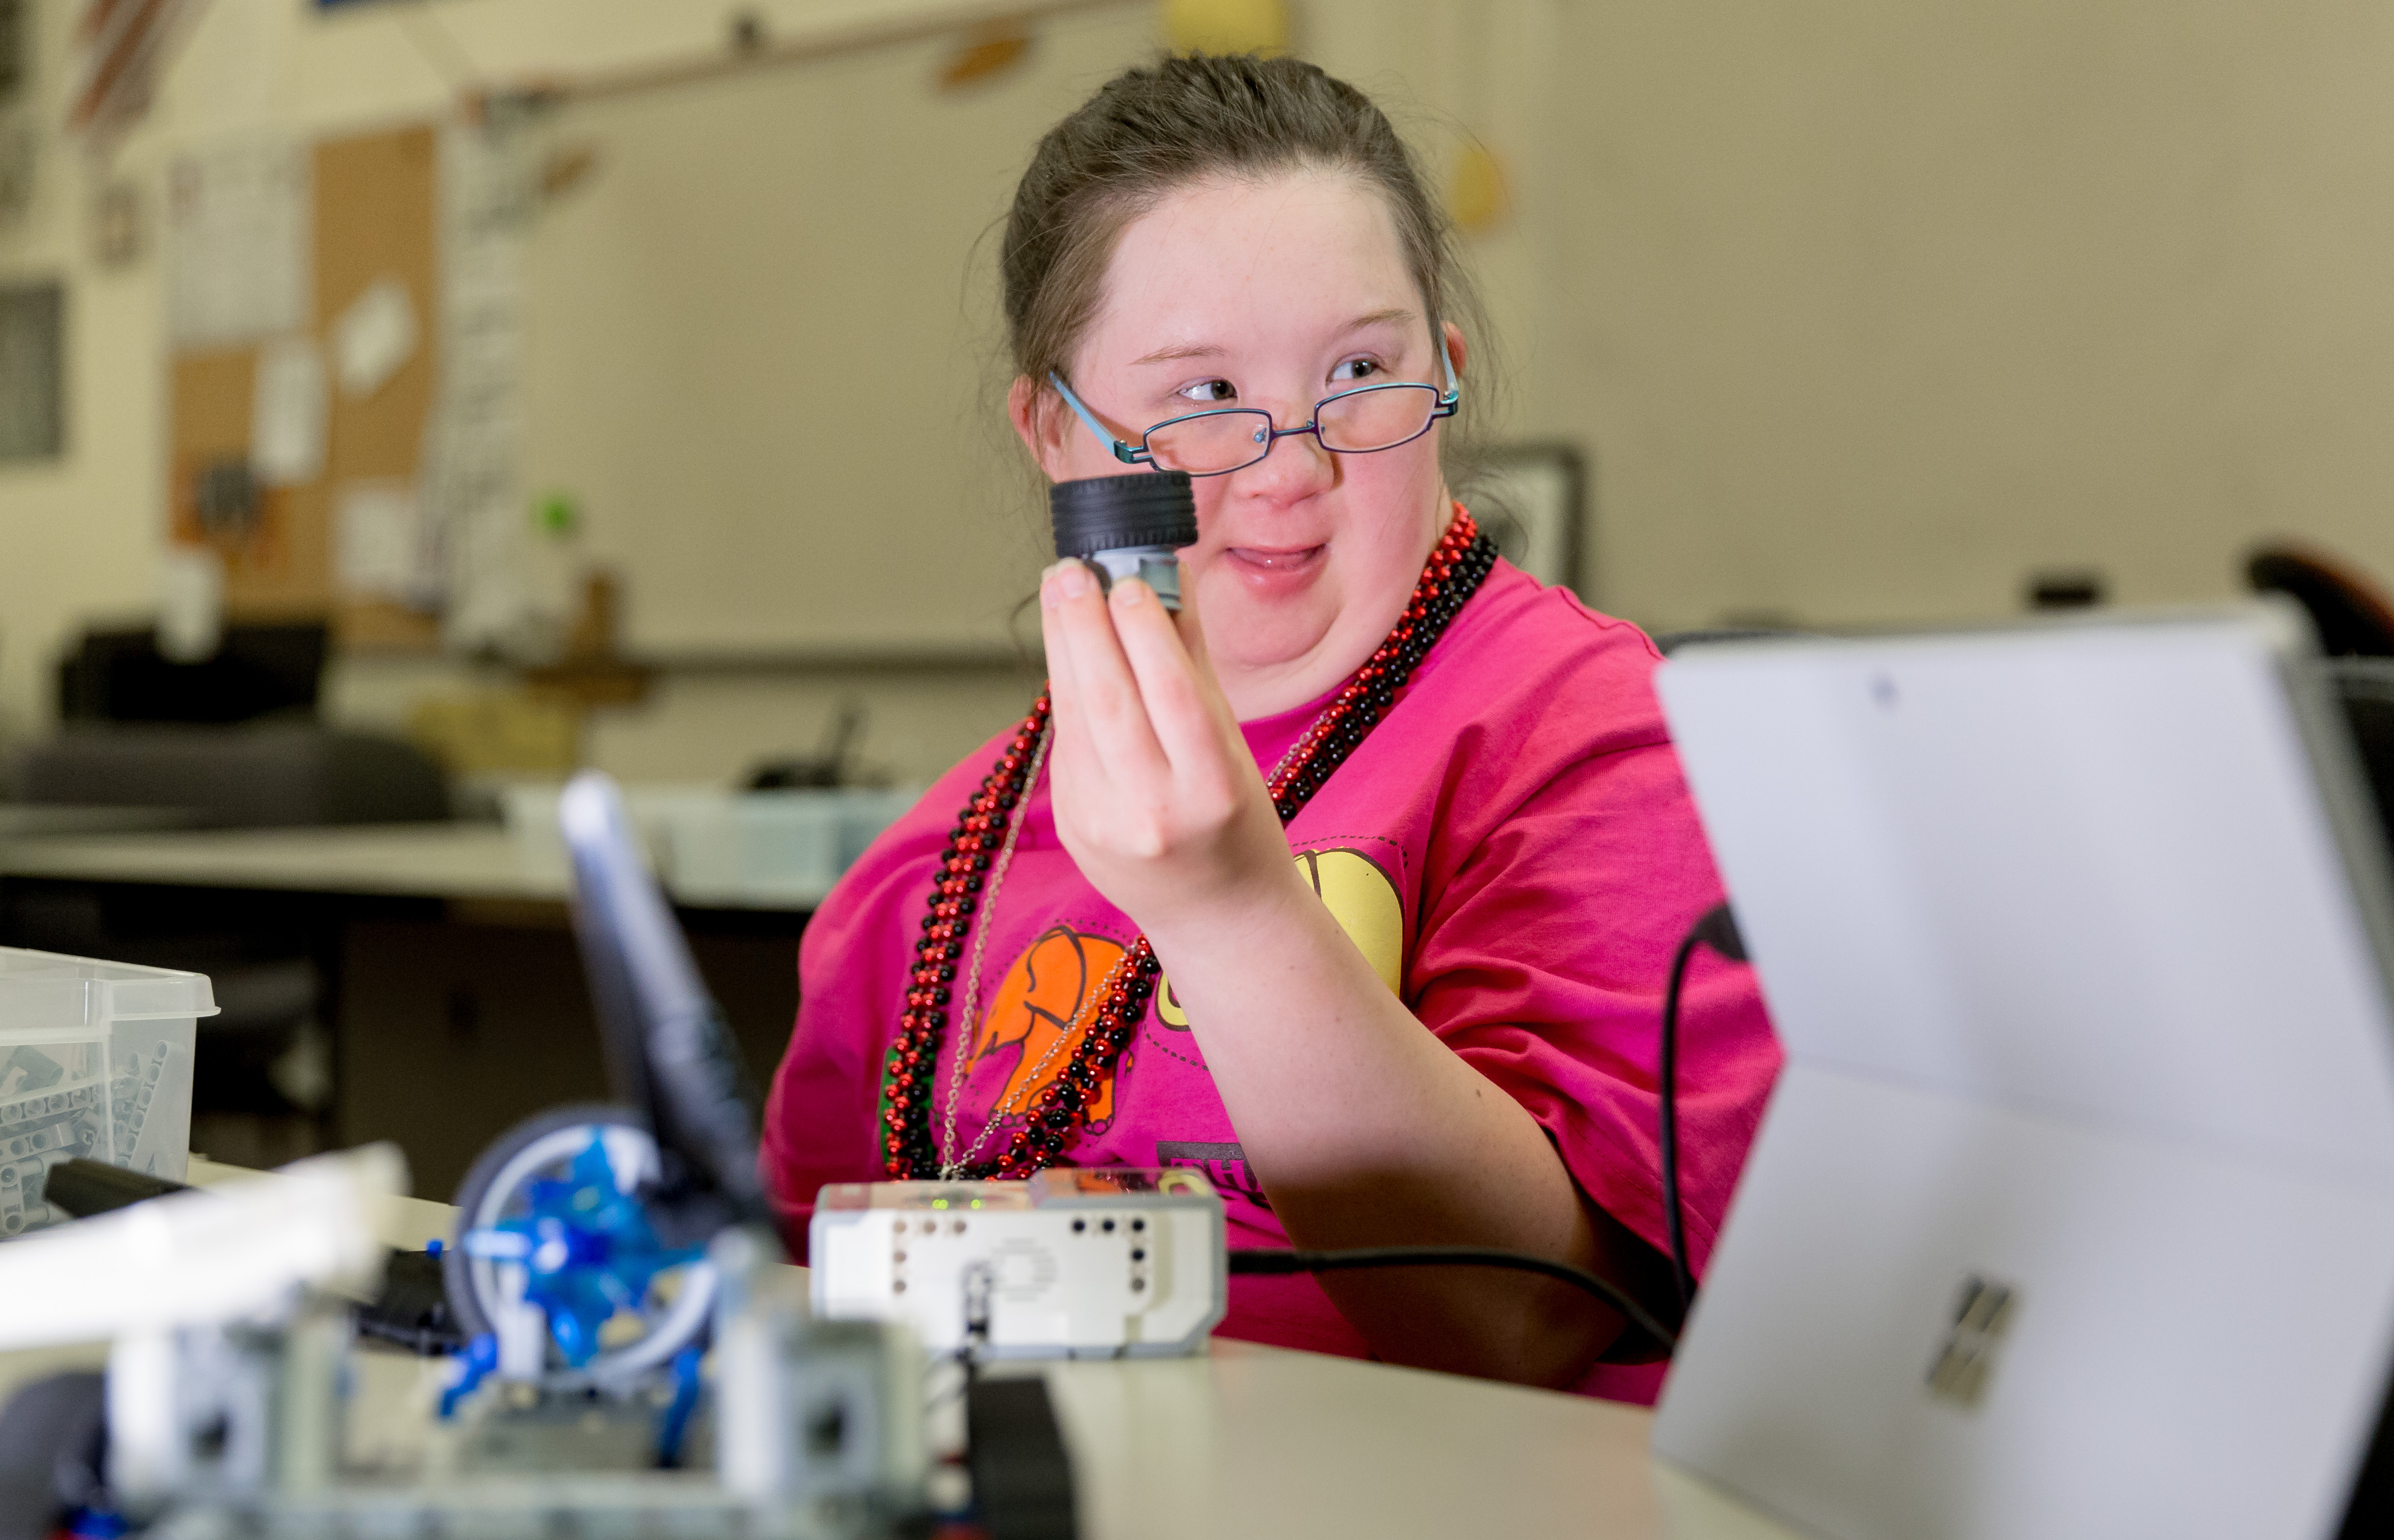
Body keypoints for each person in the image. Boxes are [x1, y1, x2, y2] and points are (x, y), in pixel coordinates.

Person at [761, 54, 1780, 1401]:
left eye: (1361, 369)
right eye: (1198, 399)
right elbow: (797, 1301)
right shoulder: (934, 868)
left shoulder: (1594, 743)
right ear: (1053, 436)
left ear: (1450, 372)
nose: (1293, 468)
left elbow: (1527, 1321)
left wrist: (1233, 913)